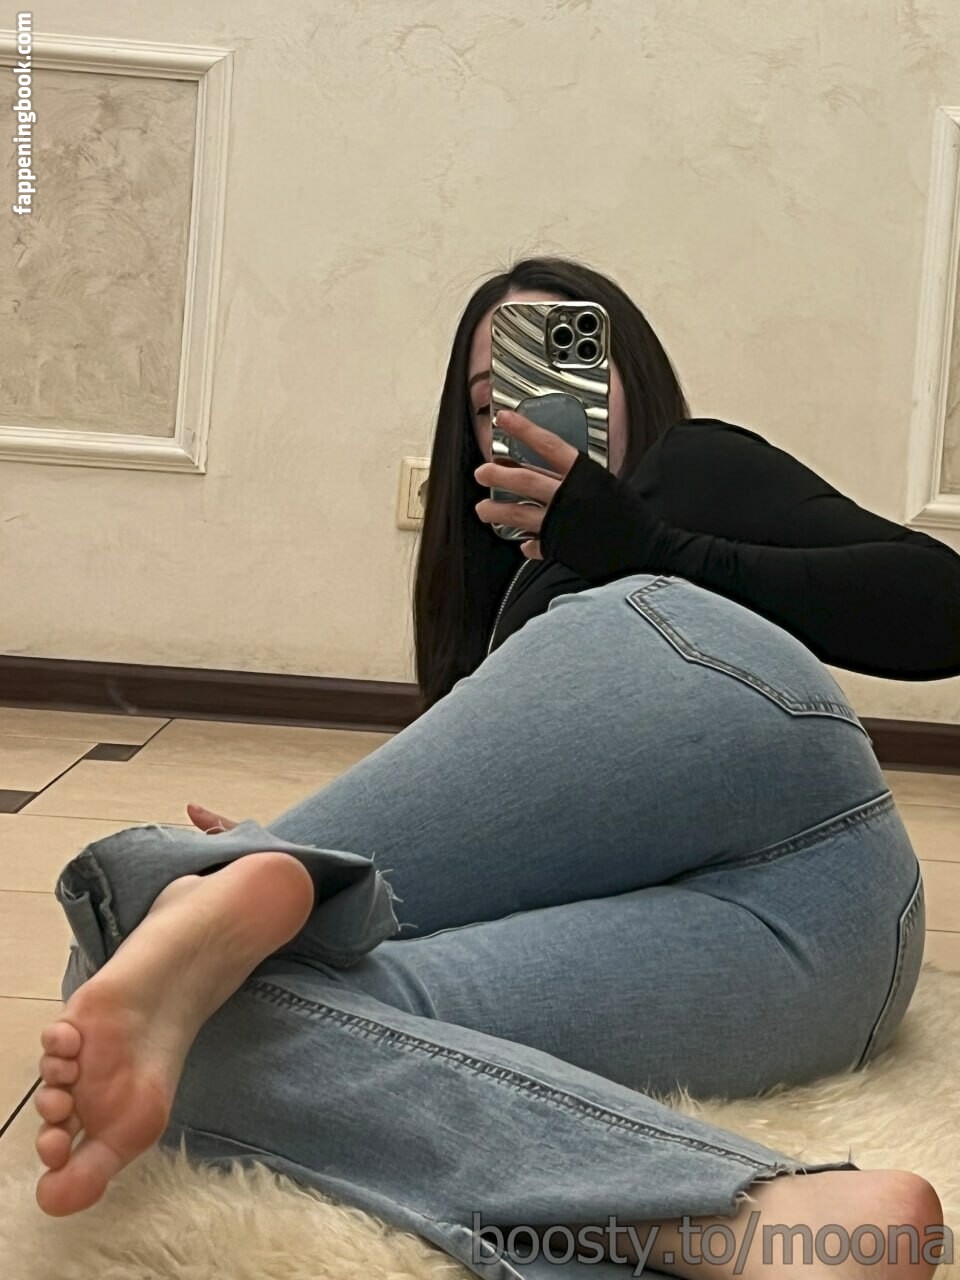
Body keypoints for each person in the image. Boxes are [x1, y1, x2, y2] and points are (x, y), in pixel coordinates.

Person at [33, 257, 953, 1279]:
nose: (527, 413)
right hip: (826, 964)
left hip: (810, 819)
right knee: (169, 1011)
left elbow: (941, 604)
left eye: (569, 365)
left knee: (143, 929)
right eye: (491, 403)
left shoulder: (693, 467)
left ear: (632, 377)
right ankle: (753, 1219)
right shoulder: (501, 612)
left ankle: (229, 882)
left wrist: (647, 544)